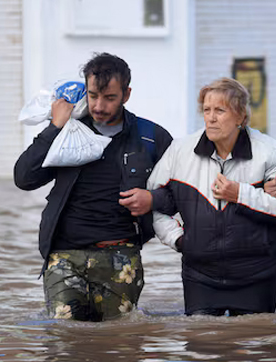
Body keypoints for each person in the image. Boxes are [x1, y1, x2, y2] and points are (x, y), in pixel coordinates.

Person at [13, 53, 173, 321]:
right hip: (64, 255)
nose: (99, 105)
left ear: (127, 94)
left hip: (121, 254)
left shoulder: (151, 137)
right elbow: (24, 178)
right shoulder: (68, 133)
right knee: (65, 338)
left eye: (109, 97)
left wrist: (153, 199)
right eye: (93, 95)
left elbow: (182, 194)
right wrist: (55, 126)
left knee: (117, 342)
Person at [147, 78, 276, 316]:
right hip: (200, 275)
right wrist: (179, 240)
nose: (211, 118)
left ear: (241, 116)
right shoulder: (180, 151)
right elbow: (154, 202)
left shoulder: (270, 151)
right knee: (203, 346)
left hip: (258, 274)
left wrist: (240, 193)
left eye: (220, 110)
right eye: (207, 110)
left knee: (256, 347)